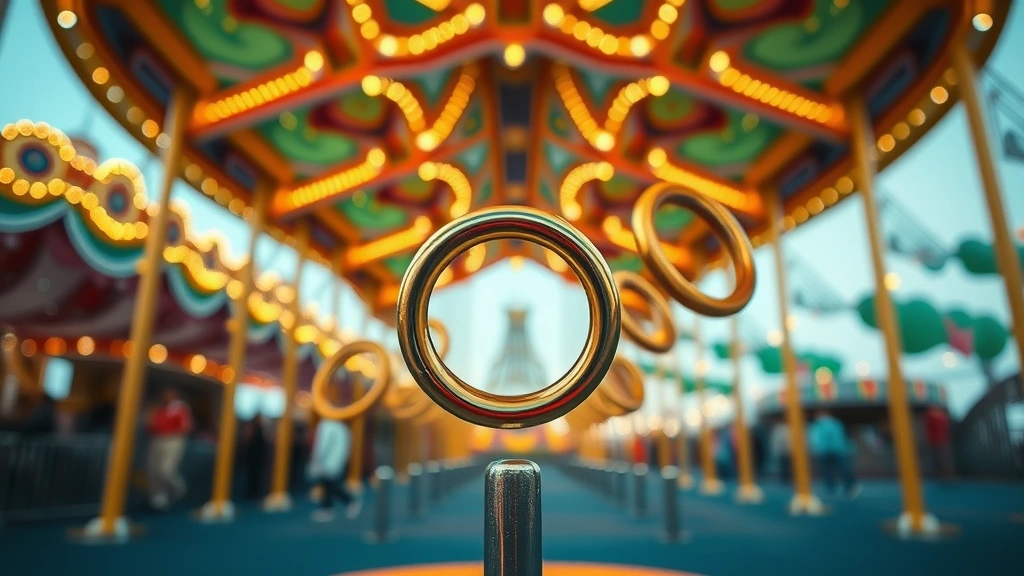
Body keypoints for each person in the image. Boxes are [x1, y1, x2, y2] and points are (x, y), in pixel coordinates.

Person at [145, 387, 192, 510]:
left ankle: (179, 489)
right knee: (154, 470)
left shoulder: (179, 408)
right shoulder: (159, 409)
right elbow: (150, 425)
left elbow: (186, 427)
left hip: (173, 440)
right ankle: (159, 499)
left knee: (166, 470)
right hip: (157, 439)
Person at [307, 418, 361, 522]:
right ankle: (327, 508)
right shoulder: (343, 427)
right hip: (335, 461)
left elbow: (322, 446)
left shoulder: (326, 425)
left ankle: (349, 500)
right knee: (327, 485)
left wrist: (316, 461)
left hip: (326, 462)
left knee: (330, 484)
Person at [809, 410, 860, 498]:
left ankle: (848, 486)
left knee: (841, 469)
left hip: (835, 450)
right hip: (828, 450)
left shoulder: (833, 424)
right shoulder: (819, 425)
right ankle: (833, 487)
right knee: (829, 470)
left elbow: (840, 436)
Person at [924, 406, 954, 480]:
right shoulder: (934, 416)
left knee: (943, 459)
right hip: (938, 441)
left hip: (941, 440)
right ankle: (944, 476)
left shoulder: (936, 416)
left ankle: (947, 476)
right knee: (941, 459)